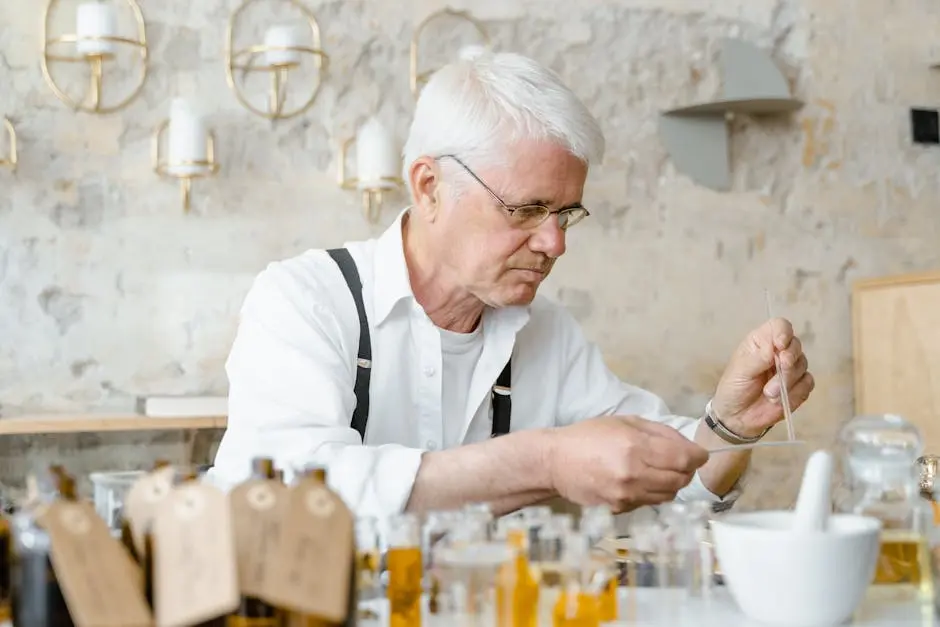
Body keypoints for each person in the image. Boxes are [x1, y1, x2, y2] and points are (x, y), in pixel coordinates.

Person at [207, 51, 814, 520]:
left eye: (567, 213)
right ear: (429, 187)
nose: (555, 244)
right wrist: (545, 459)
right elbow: (281, 492)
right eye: (525, 209)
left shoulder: (546, 333)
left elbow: (669, 486)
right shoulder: (306, 299)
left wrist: (732, 424)